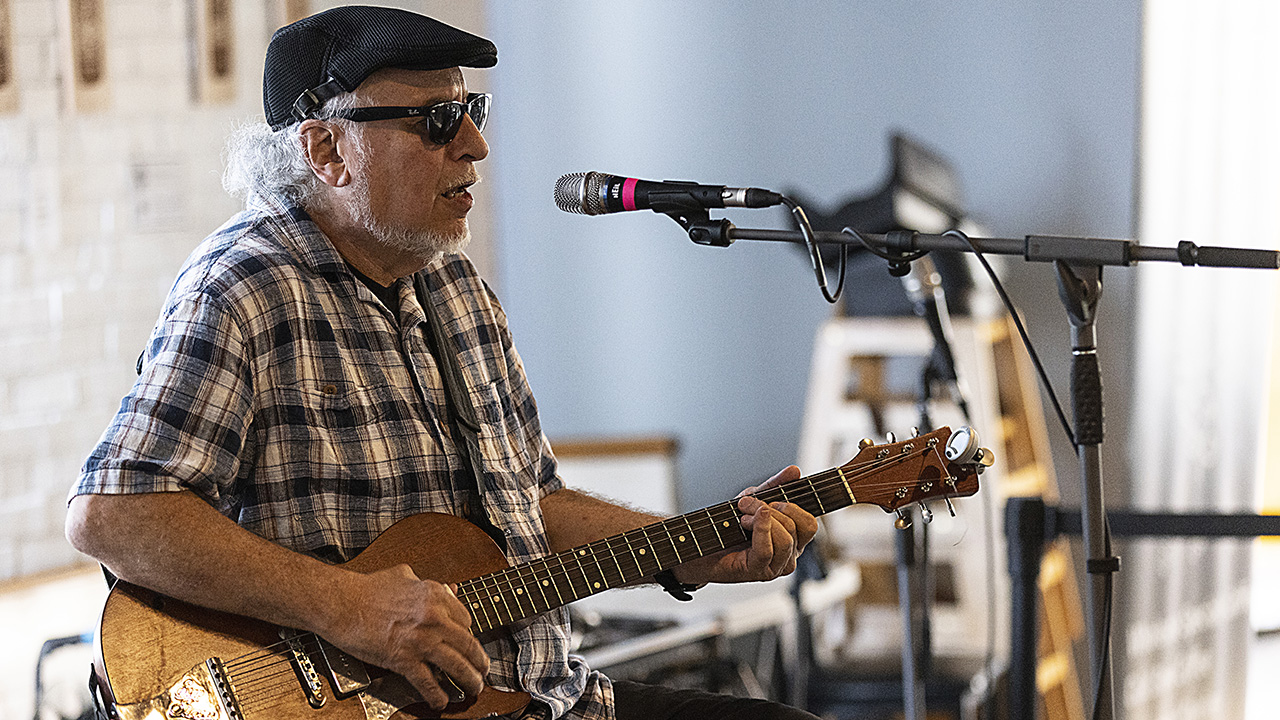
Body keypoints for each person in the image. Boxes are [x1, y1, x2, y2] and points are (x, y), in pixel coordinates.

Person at [65, 7, 818, 720]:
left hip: (545, 696)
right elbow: (114, 514)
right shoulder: (244, 289)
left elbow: (532, 509)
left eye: (471, 112)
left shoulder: (457, 290)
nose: (474, 146)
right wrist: (347, 608)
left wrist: (691, 552)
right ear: (327, 151)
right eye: (436, 122)